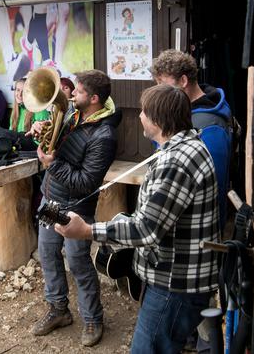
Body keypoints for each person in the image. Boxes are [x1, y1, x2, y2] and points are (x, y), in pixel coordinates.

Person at [55, 84, 220, 354]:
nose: (140, 116)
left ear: (158, 120)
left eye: (144, 111)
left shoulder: (175, 162)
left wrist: (86, 230)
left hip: (173, 285)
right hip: (177, 280)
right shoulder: (187, 145)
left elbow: (146, 229)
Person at [29, 70, 121, 347]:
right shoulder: (73, 113)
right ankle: (59, 310)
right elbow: (56, 141)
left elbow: (85, 183)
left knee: (78, 262)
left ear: (93, 98)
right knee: (47, 253)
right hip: (51, 199)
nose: (71, 94)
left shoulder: (104, 136)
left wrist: (52, 164)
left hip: (75, 208)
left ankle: (93, 319)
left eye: (78, 91)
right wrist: (40, 131)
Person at [150, 49, 233, 230]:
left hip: (195, 228)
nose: (158, 90)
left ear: (184, 81)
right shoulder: (184, 113)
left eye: (162, 83)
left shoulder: (210, 127)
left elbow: (214, 188)